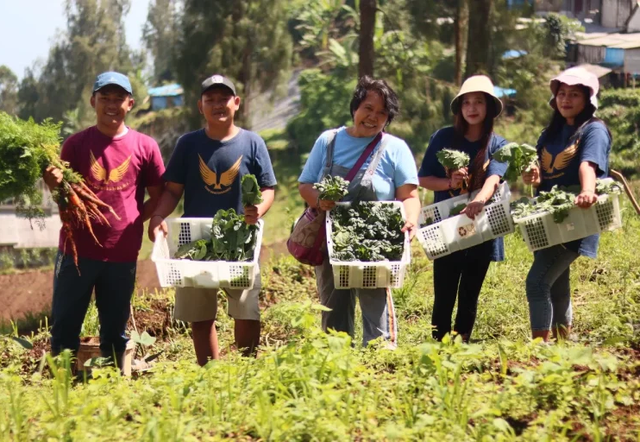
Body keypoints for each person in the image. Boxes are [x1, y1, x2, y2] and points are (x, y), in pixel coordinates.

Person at [148, 74, 276, 365]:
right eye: (211, 100)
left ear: (237, 103)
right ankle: (210, 373)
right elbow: (172, 190)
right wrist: (157, 215)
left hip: (241, 240)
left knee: (246, 308)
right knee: (200, 313)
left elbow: (268, 188)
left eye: (224, 99)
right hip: (196, 241)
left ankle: (246, 368)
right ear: (200, 106)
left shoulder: (252, 143)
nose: (218, 105)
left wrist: (258, 208)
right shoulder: (188, 144)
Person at [43, 72, 165, 367]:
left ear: (130, 103)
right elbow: (64, 196)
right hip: (77, 253)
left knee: (114, 331)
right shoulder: (75, 144)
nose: (111, 104)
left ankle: (112, 385)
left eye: (118, 98)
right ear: (92, 101)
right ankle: (63, 388)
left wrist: (137, 220)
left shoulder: (145, 146)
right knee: (64, 328)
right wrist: (53, 184)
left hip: (121, 255)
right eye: (105, 98)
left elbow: (159, 193)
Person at [298, 76, 420, 349]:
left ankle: (379, 368)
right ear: (355, 107)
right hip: (333, 243)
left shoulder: (395, 149)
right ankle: (339, 369)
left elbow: (410, 196)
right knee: (333, 315)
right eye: (368, 108)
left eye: (382, 113)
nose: (373, 117)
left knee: (377, 316)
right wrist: (320, 200)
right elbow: (305, 185)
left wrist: (411, 219)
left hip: (375, 246)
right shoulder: (328, 141)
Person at [522, 67, 611, 342]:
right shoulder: (550, 133)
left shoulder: (593, 130)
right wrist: (532, 175)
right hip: (546, 219)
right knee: (557, 284)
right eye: (562, 94)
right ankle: (563, 345)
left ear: (587, 100)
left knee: (536, 282)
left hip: (575, 216)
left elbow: (588, 164)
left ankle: (539, 346)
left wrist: (587, 191)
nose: (566, 100)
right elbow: (537, 172)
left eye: (574, 94)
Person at [418, 75, 509, 342]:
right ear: (459, 108)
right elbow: (423, 178)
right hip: (448, 226)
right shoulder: (443, 137)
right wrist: (449, 181)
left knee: (470, 292)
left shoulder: (499, 145)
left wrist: (479, 198)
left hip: (482, 227)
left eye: (478, 102)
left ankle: (462, 343)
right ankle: (438, 344)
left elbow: (494, 178)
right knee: (443, 291)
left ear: (489, 107)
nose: (472, 108)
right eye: (466, 102)